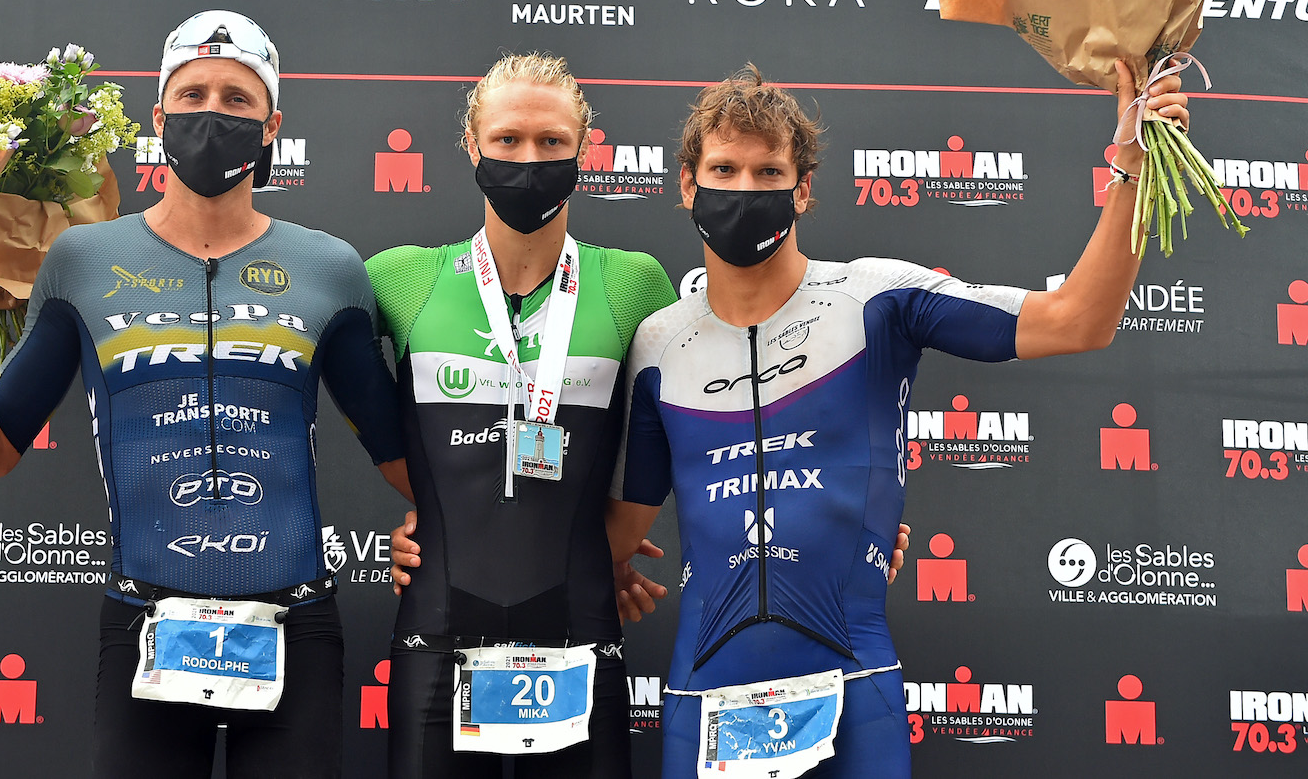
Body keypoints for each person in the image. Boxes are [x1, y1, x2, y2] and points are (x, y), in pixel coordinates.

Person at [0, 10, 408, 779]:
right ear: (158, 117)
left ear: (272, 125)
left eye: (238, 99)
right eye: (194, 93)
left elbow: (403, 458)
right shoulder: (84, 258)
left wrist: (439, 527)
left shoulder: (328, 266)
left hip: (295, 626)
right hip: (145, 622)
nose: (214, 113)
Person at [605, 61, 1189, 777]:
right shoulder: (660, 341)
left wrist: (1133, 163)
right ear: (688, 185)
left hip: (855, 696)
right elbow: (617, 534)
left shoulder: (878, 299)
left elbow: (1079, 321)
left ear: (804, 189)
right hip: (705, 701)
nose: (745, 189)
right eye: (724, 169)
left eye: (768, 173)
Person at [363, 53, 678, 778]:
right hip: (438, 620)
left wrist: (618, 543)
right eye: (506, 140)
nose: (528, 159)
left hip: (579, 620)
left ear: (585, 151)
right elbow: (334, 392)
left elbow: (695, 418)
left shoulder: (633, 282)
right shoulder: (400, 277)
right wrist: (432, 507)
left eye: (551, 142)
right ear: (471, 146)